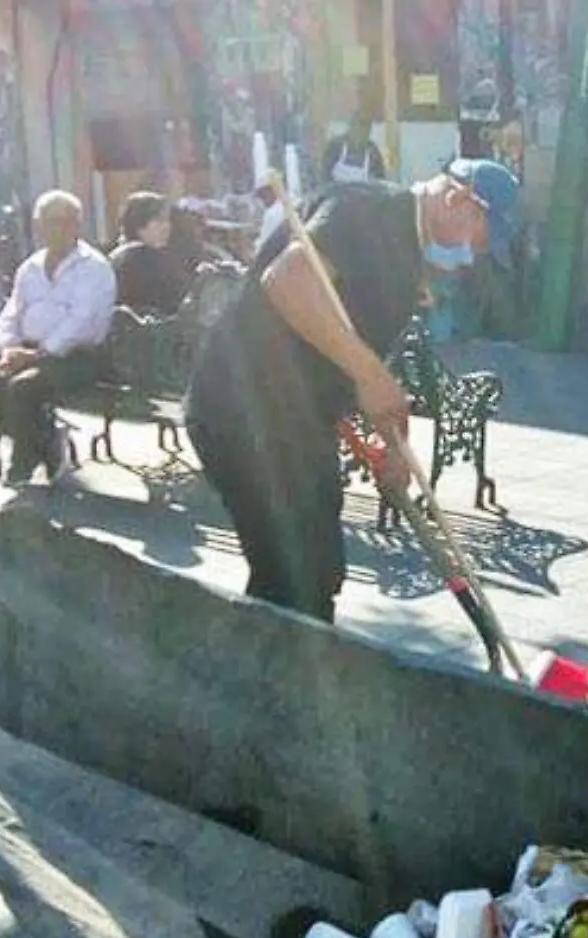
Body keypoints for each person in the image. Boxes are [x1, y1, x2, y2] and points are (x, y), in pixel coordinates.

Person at [184, 158, 521, 621]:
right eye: (477, 233)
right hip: (242, 413)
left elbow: (352, 355)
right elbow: (287, 281)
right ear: (458, 199)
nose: (473, 248)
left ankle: (285, 673)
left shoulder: (406, 252)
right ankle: (270, 680)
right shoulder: (366, 210)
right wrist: (371, 376)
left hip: (295, 421)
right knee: (292, 576)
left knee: (318, 571)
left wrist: (393, 443)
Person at [0, 190, 116, 485]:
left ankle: (23, 462)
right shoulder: (30, 267)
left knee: (23, 388)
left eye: (57, 222)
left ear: (75, 225)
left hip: (76, 356)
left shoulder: (94, 268)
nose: (47, 230)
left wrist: (39, 354)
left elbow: (81, 322)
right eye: (41, 223)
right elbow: (11, 313)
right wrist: (8, 348)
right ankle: (45, 438)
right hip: (25, 351)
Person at [109, 190, 188, 317]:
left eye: (167, 220)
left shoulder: (116, 256)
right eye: (159, 221)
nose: (167, 226)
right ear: (139, 224)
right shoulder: (143, 258)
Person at [320, 110, 387, 184]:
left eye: (366, 127)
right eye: (358, 125)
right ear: (351, 126)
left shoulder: (373, 153)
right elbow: (324, 175)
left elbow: (379, 182)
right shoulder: (336, 146)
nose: (361, 131)